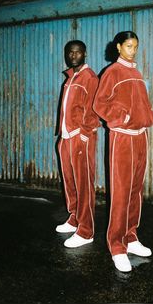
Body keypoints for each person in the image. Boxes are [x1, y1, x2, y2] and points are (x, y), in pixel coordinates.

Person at [93, 31, 153, 272]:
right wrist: (123, 118)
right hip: (122, 138)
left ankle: (131, 237)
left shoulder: (136, 73)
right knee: (121, 192)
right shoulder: (112, 72)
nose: (133, 50)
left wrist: (148, 116)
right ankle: (116, 246)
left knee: (135, 191)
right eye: (129, 46)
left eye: (136, 46)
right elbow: (100, 103)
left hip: (141, 137)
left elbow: (143, 104)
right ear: (118, 47)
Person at [56, 40, 100, 248]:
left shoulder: (90, 78)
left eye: (78, 52)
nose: (73, 56)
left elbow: (94, 110)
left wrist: (83, 134)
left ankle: (86, 230)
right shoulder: (71, 77)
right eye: (70, 52)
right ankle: (74, 218)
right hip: (66, 137)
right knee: (70, 181)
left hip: (80, 137)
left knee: (83, 184)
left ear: (85, 53)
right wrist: (63, 136)